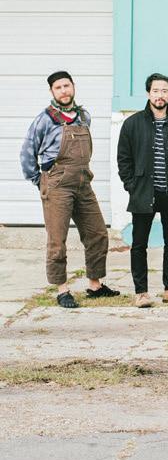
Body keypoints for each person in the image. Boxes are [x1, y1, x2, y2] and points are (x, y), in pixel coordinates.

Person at [20, 71, 120, 308]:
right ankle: (62, 290)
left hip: (83, 182)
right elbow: (27, 153)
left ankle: (95, 285)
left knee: (97, 233)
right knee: (57, 239)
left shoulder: (84, 116)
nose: (63, 91)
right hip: (58, 185)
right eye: (58, 88)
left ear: (73, 86)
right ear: (52, 92)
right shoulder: (44, 119)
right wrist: (40, 180)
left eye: (66, 86)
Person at [117, 73, 168, 308]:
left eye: (164, 91)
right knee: (139, 244)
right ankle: (141, 292)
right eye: (155, 91)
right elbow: (124, 159)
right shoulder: (132, 123)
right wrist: (131, 185)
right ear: (148, 93)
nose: (159, 95)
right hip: (143, 192)